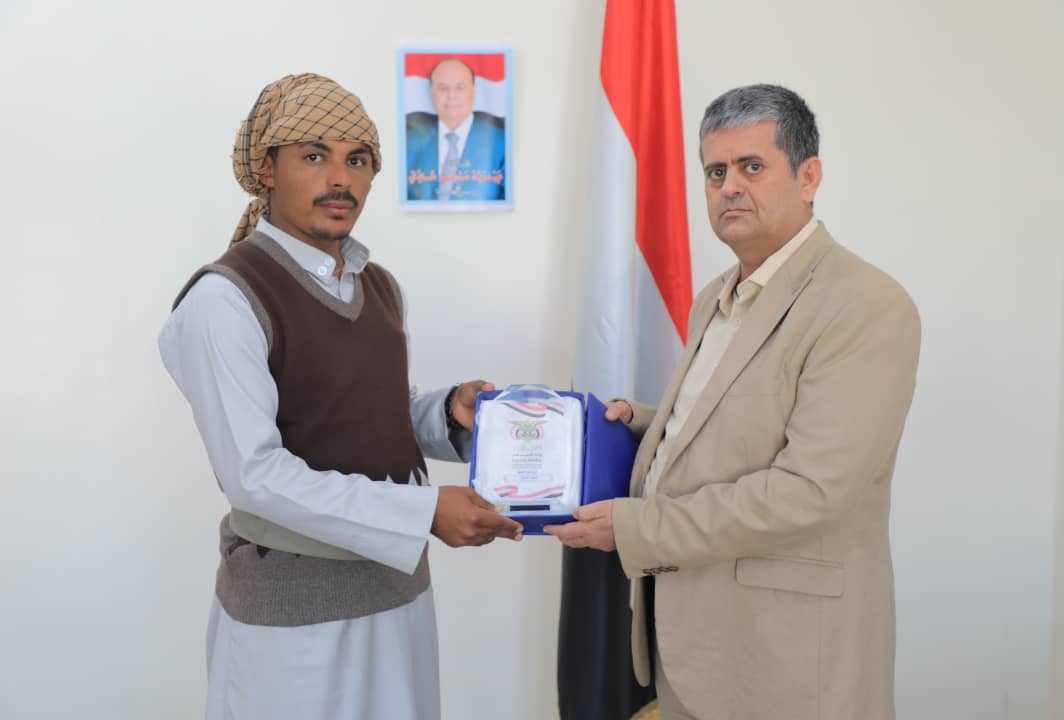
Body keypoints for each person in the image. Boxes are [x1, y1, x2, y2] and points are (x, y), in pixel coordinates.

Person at [545, 84, 921, 720]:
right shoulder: (717, 295)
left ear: (809, 177)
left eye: (752, 167)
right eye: (716, 171)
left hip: (790, 661)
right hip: (695, 651)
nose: (729, 188)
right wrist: (638, 426)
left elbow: (809, 491)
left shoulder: (865, 304)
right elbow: (730, 420)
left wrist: (636, 528)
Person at [159, 73, 522, 720]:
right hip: (292, 627)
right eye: (314, 156)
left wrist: (447, 413)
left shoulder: (378, 285)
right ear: (266, 169)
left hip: (400, 599)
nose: (340, 179)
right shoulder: (225, 299)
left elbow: (365, 413)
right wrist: (423, 512)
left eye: (357, 160)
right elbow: (256, 476)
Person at [405, 57, 506, 201]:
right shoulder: (410, 142)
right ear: (431, 91)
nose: (451, 96)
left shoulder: (501, 143)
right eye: (443, 88)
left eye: (460, 87)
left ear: (474, 91)